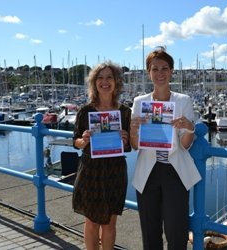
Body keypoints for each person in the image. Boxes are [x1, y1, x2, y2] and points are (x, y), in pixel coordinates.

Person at [130, 47, 201, 250]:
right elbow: (135, 146)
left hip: (175, 171)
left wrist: (188, 127)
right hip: (148, 172)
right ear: (148, 72)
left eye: (164, 68)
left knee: (176, 232)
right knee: (150, 232)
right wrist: (133, 130)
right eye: (155, 69)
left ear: (171, 71)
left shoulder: (183, 101)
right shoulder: (139, 102)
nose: (160, 73)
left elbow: (186, 145)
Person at [72, 61, 131, 250]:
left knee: (110, 224)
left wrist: (125, 139)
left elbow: (129, 146)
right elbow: (76, 142)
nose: (105, 82)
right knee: (91, 224)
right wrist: (84, 140)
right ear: (94, 82)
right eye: (100, 78)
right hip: (91, 171)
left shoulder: (124, 112)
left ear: (116, 82)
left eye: (109, 77)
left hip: (115, 171)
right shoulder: (85, 111)